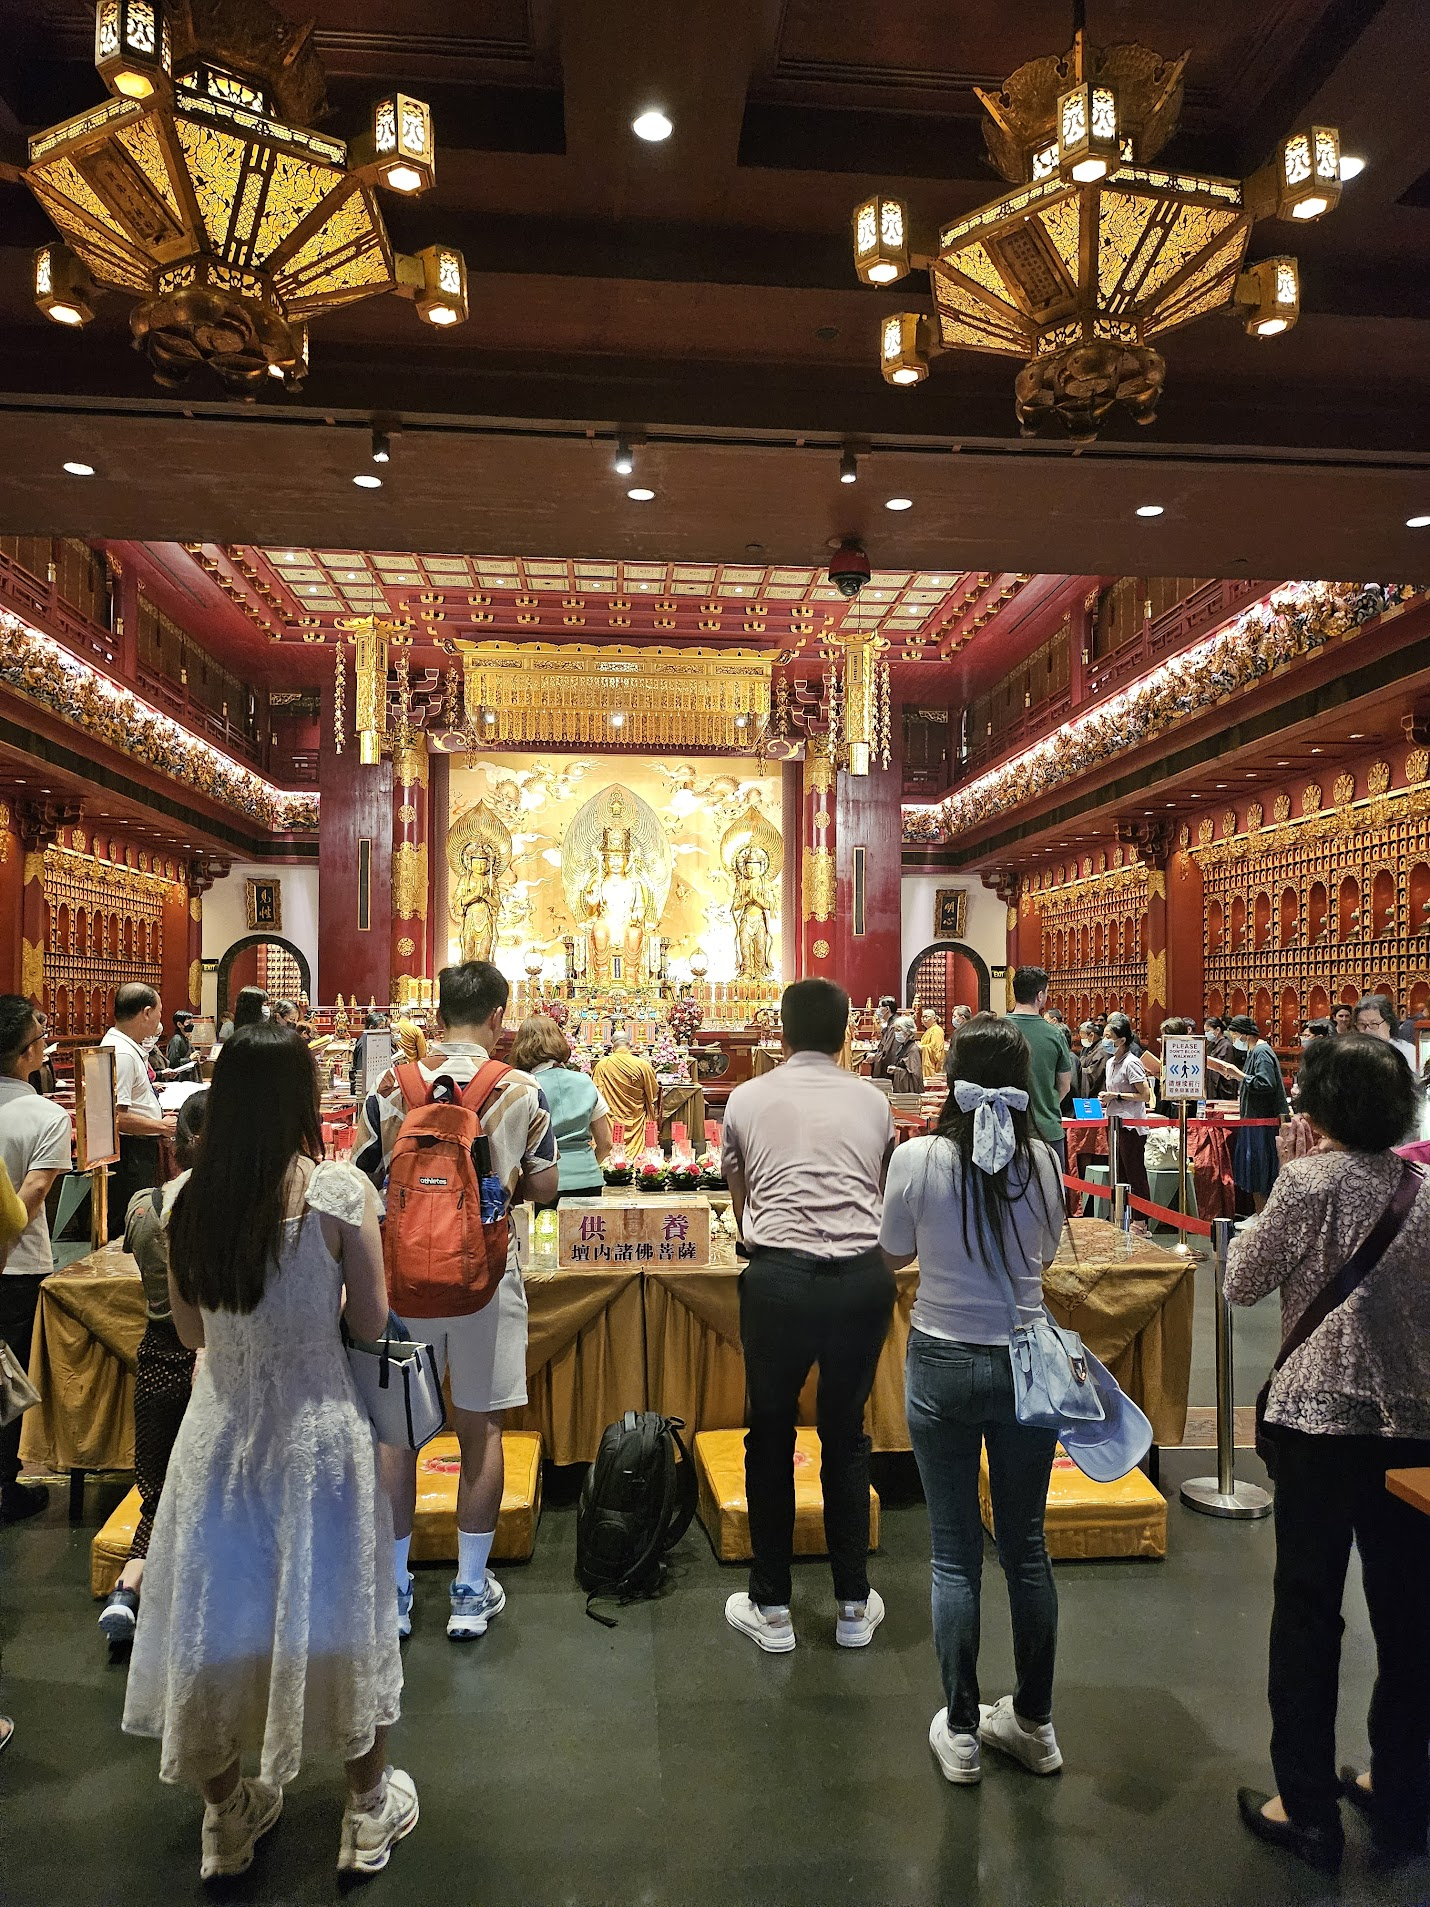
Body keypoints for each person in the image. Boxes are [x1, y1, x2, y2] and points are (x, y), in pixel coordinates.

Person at [122, 1024, 416, 1881]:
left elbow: (188, 1332)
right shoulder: (337, 1191)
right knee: (340, 1609)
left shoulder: (182, 1201)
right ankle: (365, 1810)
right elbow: (371, 1319)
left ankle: (226, 1817)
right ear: (298, 1097)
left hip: (219, 1434)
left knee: (212, 1618)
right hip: (318, 1432)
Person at [1225, 1036, 1430, 1875]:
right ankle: (1401, 1789)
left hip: (1316, 1425)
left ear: (1323, 1105)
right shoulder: (1423, 1187)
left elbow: (1240, 1278)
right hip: (1414, 1425)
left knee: (1309, 1611)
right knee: (1410, 1614)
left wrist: (1288, 1182)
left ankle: (1306, 1807)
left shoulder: (1308, 1182)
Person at [880, 1015, 1065, 1785]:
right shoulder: (1044, 1161)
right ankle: (1035, 1723)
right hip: (1025, 1361)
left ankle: (960, 1729)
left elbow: (893, 1253)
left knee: (954, 1553)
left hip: (943, 1358)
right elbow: (1045, 1256)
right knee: (1026, 1546)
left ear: (949, 1076)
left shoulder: (918, 1158)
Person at [355, 961, 557, 1643]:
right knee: (481, 1431)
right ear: (499, 1016)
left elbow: (362, 1178)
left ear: (437, 1015)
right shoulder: (521, 1090)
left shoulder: (390, 1086)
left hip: (401, 1280)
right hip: (485, 1281)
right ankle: (469, 1590)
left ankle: (395, 1591)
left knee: (397, 1436)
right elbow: (547, 1185)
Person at [719, 978, 896, 1654]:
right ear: (847, 1031)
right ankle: (852, 1602)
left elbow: (739, 1187)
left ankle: (771, 1606)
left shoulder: (747, 1096)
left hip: (779, 1280)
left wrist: (763, 1235)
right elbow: (875, 1183)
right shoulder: (873, 1100)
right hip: (860, 1279)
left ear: (782, 1033)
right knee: (846, 1433)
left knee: (769, 1434)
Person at [98, 1091, 208, 1644]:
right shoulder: (226, 1210)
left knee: (158, 1491)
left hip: (157, 1358)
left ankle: (128, 1589)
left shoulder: (144, 1205)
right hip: (211, 1360)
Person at [0, 997, 73, 1524]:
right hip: (17, 1263)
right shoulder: (47, 1116)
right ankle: (5, 1486)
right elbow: (34, 1191)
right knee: (8, 1374)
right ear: (29, 1053)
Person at [508, 1014, 612, 1202]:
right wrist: (586, 1168)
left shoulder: (525, 1086)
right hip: (587, 1179)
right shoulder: (585, 1081)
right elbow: (605, 1143)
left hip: (542, 1183)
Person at [102, 984, 176, 1237]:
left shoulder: (125, 1046)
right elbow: (116, 1116)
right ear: (146, 1013)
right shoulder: (123, 1053)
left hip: (136, 1149)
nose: (159, 1019)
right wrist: (161, 1126)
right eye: (159, 1012)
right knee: (132, 1222)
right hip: (132, 1153)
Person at [1209, 1014, 1288, 1211]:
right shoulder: (1254, 1051)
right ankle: (1258, 1212)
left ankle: (1264, 1213)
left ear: (1245, 1034)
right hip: (1253, 1119)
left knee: (1261, 1169)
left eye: (1235, 1035)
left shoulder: (1262, 1052)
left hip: (1261, 1121)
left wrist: (1239, 1075)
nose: (1235, 1040)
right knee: (1254, 1169)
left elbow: (1265, 1083)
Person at [1007, 967, 1073, 1175]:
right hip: (1046, 1129)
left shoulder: (996, 1029)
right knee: (1049, 1191)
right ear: (1040, 995)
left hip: (1003, 1128)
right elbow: (1064, 1085)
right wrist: (1045, 1102)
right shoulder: (1055, 1034)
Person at [1101, 1012, 1152, 1231]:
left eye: (1109, 1037)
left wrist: (1117, 1096)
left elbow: (1145, 1095)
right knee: (1119, 1173)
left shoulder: (1131, 1063)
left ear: (1121, 1040)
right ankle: (1123, 1217)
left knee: (1135, 1173)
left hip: (1131, 1126)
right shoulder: (1110, 1062)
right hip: (1114, 1123)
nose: (1105, 1040)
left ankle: (1141, 1221)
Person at [591, 1028, 661, 1144]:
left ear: (613, 1046)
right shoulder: (642, 1065)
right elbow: (653, 1092)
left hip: (612, 1120)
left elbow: (596, 1095)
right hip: (636, 1119)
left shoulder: (602, 1065)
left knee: (613, 1147)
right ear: (630, 1045)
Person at [1354, 993, 1418, 1070]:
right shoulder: (1352, 1053)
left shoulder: (1408, 1053)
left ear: (1389, 1023)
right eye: (1362, 1024)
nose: (1367, 1030)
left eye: (1374, 1024)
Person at [874, 1013, 924, 1096]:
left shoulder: (913, 1050)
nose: (896, 1033)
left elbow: (914, 1076)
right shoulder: (902, 1047)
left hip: (909, 1095)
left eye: (899, 1030)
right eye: (895, 1030)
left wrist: (897, 1071)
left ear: (908, 1031)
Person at [165, 1011, 198, 1075]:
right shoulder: (176, 1040)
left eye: (192, 1022)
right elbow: (173, 1062)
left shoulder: (185, 1038)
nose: (191, 1025)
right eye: (188, 1023)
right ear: (179, 1024)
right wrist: (190, 1059)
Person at [918, 1007, 947, 1079]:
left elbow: (935, 1050)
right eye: (923, 1017)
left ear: (934, 1018)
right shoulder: (929, 1030)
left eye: (927, 1017)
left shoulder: (936, 1030)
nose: (924, 1019)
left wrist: (921, 1047)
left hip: (932, 1065)